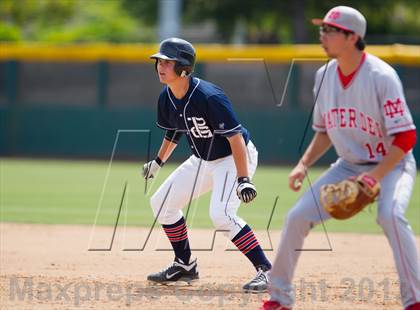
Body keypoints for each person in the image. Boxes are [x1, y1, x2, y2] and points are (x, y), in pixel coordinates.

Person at [260, 6, 419, 310]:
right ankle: (279, 299)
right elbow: (324, 132)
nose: (322, 36)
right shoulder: (324, 76)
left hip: (392, 164)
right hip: (347, 165)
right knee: (296, 217)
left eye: (330, 31)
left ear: (352, 37)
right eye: (322, 30)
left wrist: (375, 177)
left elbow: (406, 137)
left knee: (390, 216)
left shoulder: (381, 76)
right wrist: (303, 164)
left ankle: (415, 301)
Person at [143, 37, 272, 292]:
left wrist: (243, 179)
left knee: (221, 215)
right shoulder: (166, 96)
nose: (161, 65)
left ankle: (268, 270)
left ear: (183, 67)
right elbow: (173, 132)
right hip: (203, 159)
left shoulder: (208, 96)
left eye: (168, 61)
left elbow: (235, 137)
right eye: (159, 61)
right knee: (161, 203)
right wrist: (158, 162)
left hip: (234, 158)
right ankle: (185, 264)